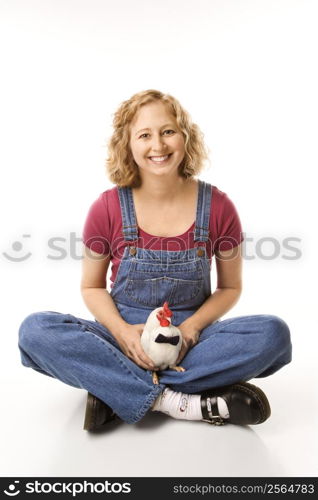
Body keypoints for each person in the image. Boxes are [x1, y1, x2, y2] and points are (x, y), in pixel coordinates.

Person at [18, 89, 292, 430]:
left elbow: (231, 287)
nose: (158, 146)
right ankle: (179, 403)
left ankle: (115, 389)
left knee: (273, 335)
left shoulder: (219, 207)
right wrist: (121, 335)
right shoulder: (107, 207)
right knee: (35, 331)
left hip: (192, 340)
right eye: (144, 135)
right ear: (128, 145)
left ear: (185, 135)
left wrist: (190, 330)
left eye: (168, 131)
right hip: (123, 336)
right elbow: (91, 286)